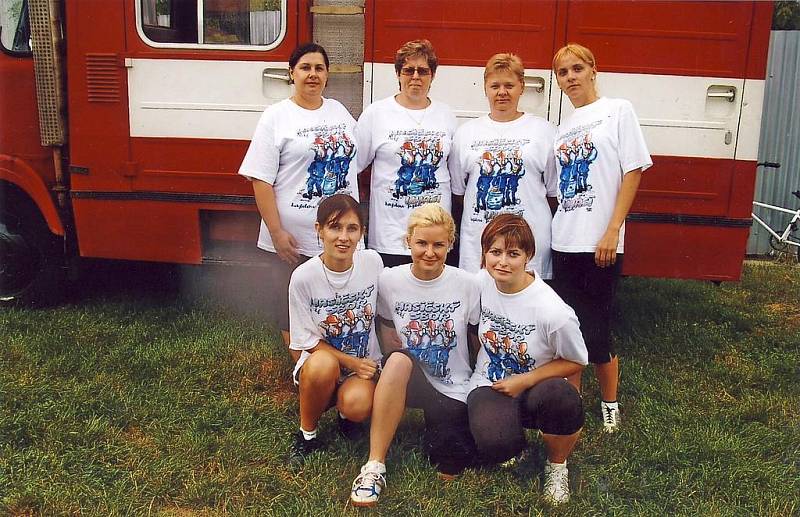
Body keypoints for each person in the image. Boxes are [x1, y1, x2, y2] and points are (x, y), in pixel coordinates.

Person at [550, 43, 652, 432]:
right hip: (564, 240)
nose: (571, 77)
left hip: (601, 242)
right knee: (568, 328)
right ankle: (571, 401)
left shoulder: (618, 110)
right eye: (563, 72)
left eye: (577, 68)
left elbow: (633, 171)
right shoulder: (563, 129)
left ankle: (610, 402)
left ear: (593, 70)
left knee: (598, 326)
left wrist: (613, 230)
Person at [349, 203, 480, 507]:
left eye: (438, 244)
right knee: (397, 359)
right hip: (407, 378)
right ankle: (374, 466)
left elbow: (476, 339)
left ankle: (448, 423)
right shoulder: (389, 280)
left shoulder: (468, 284)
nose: (429, 252)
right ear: (407, 242)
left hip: (453, 385)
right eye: (421, 243)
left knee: (449, 463)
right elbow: (382, 325)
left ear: (451, 243)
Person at [238, 43, 360, 346]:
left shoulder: (339, 111)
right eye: (305, 67)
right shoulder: (276, 116)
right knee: (291, 306)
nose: (312, 74)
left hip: (338, 235)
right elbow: (260, 179)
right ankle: (301, 368)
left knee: (333, 303)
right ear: (292, 73)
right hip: (294, 238)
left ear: (327, 75)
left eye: (319, 68)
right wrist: (277, 233)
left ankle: (334, 356)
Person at [467, 214, 587, 505]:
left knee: (563, 397)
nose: (503, 262)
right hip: (491, 383)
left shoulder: (553, 311)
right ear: (484, 253)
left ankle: (557, 466)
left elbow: (576, 361)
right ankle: (513, 444)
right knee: (494, 444)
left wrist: (525, 380)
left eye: (513, 254)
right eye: (495, 252)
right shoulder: (481, 283)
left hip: (537, 386)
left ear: (529, 256)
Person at [286, 194, 383, 465]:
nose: (343, 237)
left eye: (352, 228)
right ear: (319, 231)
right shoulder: (304, 277)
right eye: (334, 227)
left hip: (361, 366)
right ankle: (307, 434)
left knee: (358, 405)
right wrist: (351, 361)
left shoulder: (372, 262)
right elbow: (306, 341)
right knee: (322, 365)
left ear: (362, 232)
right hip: (323, 361)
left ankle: (344, 413)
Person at [450, 53, 558, 278]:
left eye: (509, 85)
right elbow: (459, 192)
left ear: (521, 87)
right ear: (485, 88)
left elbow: (552, 191)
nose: (502, 92)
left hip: (528, 241)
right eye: (495, 85)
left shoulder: (544, 131)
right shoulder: (465, 134)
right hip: (479, 239)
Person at [355, 40, 457, 267]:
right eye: (408, 70)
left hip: (435, 237)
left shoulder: (446, 114)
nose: (415, 76)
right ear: (398, 74)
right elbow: (355, 167)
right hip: (390, 236)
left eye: (423, 71)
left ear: (432, 76)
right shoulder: (376, 113)